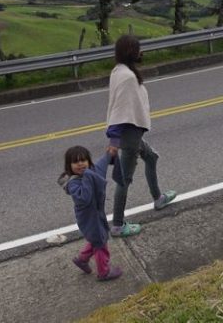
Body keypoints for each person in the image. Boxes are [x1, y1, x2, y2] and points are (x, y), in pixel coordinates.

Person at [106, 34, 177, 238]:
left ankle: (158, 198)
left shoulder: (119, 71)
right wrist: (114, 140)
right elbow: (119, 110)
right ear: (131, 52)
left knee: (151, 157)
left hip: (131, 132)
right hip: (129, 134)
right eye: (138, 49)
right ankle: (118, 225)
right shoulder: (127, 77)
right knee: (124, 180)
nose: (141, 52)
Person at [58, 145, 123, 281]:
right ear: (69, 166)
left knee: (96, 237)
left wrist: (109, 154)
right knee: (100, 242)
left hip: (96, 213)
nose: (80, 163)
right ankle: (104, 272)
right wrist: (87, 175)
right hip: (88, 218)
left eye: (83, 160)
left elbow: (100, 165)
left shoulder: (90, 171)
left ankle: (82, 259)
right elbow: (84, 198)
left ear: (89, 161)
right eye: (76, 162)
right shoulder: (73, 184)